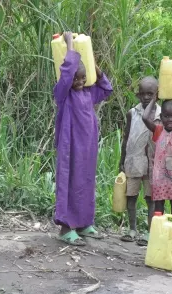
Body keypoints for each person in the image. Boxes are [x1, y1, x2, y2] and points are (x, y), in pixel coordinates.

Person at [52, 31, 113, 246]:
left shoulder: (89, 93)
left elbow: (107, 88)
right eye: (75, 78)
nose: (79, 81)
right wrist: (70, 45)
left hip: (88, 146)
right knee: (69, 181)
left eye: (83, 78)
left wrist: (93, 65)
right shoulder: (63, 93)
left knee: (86, 181)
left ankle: (85, 222)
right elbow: (67, 73)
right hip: (70, 145)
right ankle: (66, 227)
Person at [141, 68, 172, 225]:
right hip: (160, 178)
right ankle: (158, 232)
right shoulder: (158, 130)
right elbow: (144, 116)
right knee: (158, 209)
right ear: (161, 117)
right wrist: (155, 98)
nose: (170, 120)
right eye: (166, 116)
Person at [118, 76, 161, 246]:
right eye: (142, 94)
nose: (146, 97)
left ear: (157, 94)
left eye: (150, 94)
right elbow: (126, 137)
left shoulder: (161, 114)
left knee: (151, 198)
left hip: (152, 163)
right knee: (131, 196)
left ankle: (150, 232)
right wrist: (122, 160)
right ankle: (132, 229)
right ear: (138, 95)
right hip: (133, 161)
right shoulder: (132, 113)